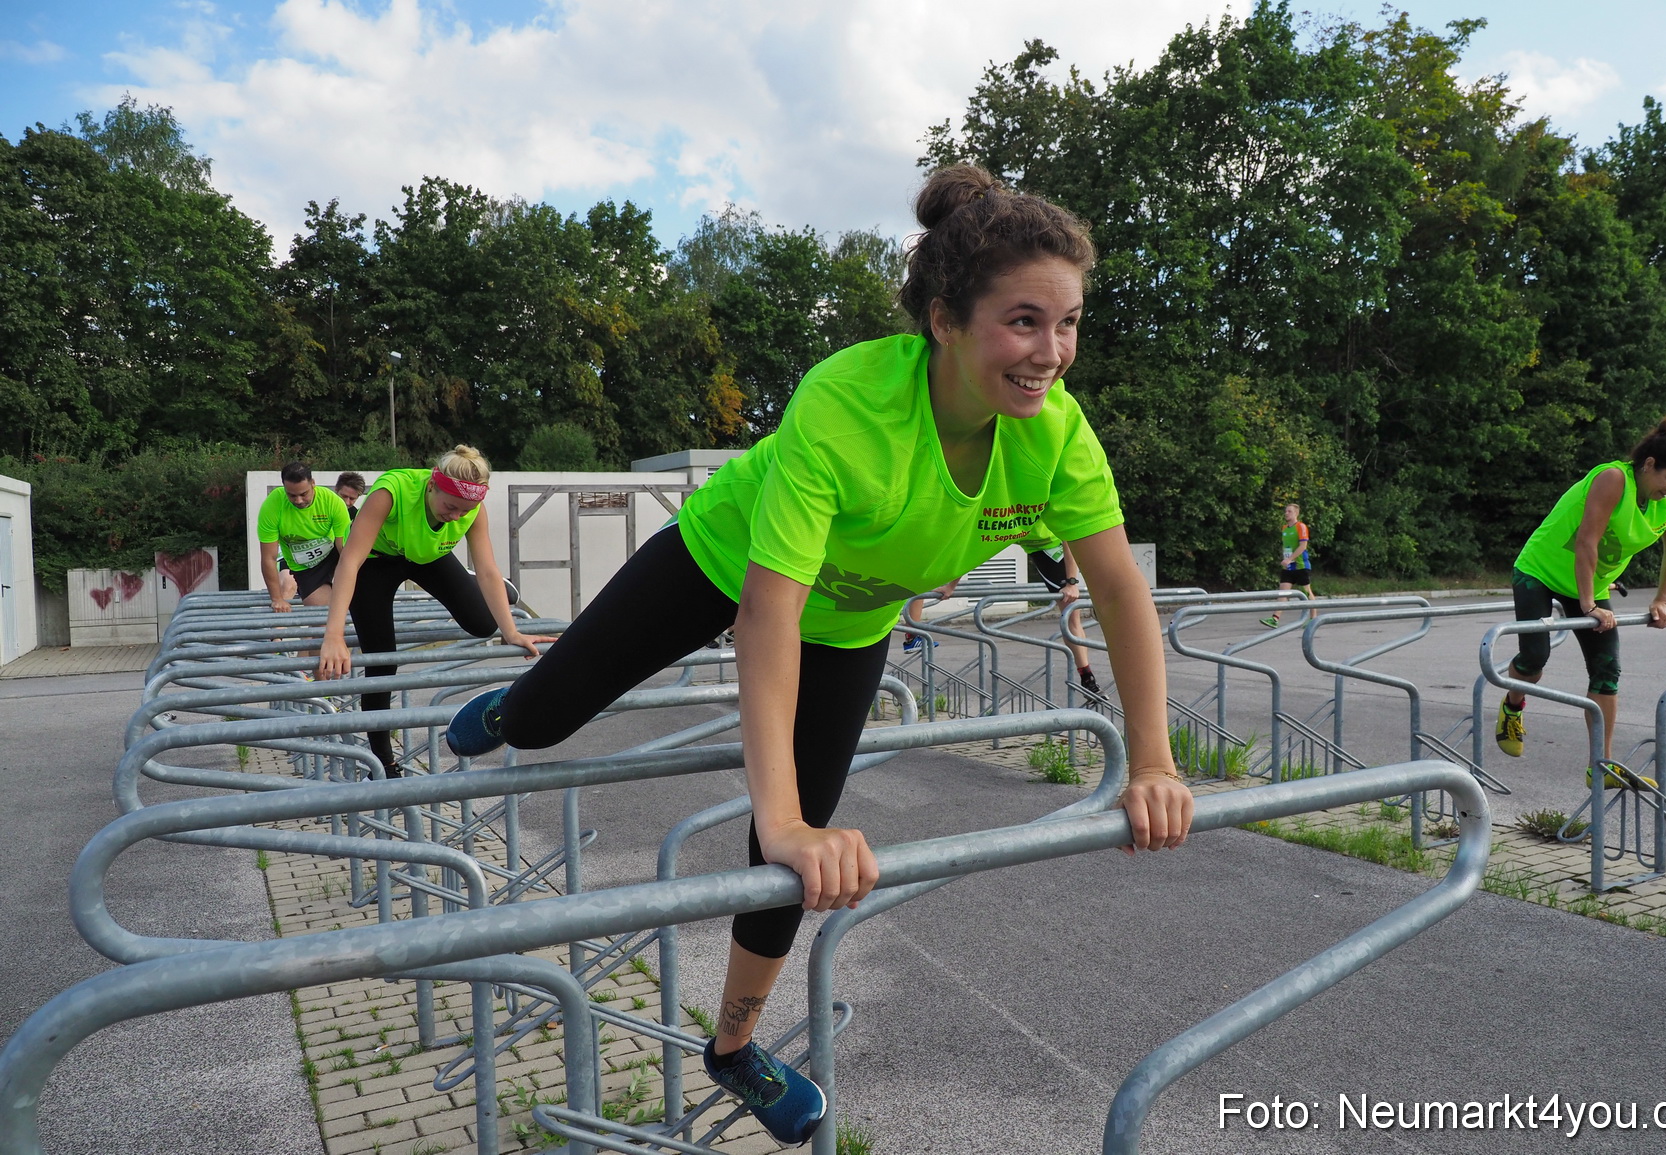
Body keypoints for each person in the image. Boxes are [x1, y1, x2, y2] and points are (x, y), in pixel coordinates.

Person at [445, 165, 1195, 1145]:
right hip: (720, 559)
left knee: (794, 862)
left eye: (1069, 323)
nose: (1050, 352)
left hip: (852, 620)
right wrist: (784, 812)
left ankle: (732, 1047)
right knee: (548, 724)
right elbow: (766, 615)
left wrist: (1151, 761)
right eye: (1022, 321)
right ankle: (516, 707)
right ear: (944, 319)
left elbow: (1118, 593)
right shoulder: (847, 404)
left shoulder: (1053, 433)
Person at [316, 446, 555, 778]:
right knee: (381, 659)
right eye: (451, 506)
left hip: (428, 557)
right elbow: (350, 561)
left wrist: (511, 631)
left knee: (484, 624)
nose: (456, 516)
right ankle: (384, 763)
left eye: (465, 510)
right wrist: (334, 635)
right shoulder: (392, 492)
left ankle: (487, 590)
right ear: (431, 485)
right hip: (376, 561)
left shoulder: (471, 509)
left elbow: (486, 567)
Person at [1494, 418, 1666, 784]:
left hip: (1590, 582)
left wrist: (1662, 600)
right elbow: (1587, 540)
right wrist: (1590, 605)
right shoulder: (1613, 478)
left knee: (1607, 670)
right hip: (1540, 572)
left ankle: (1601, 766)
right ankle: (1513, 708)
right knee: (1535, 658)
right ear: (1649, 464)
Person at [257, 461, 349, 615]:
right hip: (306, 566)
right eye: (292, 495)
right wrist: (277, 598)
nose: (298, 501)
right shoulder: (272, 505)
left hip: (333, 552)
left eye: (303, 494)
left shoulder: (332, 501)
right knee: (321, 619)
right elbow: (268, 558)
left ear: (313, 484)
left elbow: (345, 550)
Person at [1024, 533, 1106, 699]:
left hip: (1052, 544)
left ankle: (1087, 678)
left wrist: (1071, 583)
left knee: (1071, 616)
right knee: (1071, 617)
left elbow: (1068, 540)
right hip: (1032, 540)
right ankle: (1087, 678)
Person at [1260, 503, 1313, 628]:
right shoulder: (1284, 528)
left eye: (1289, 511)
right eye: (1286, 511)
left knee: (1306, 592)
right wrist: (1286, 560)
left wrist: (1290, 559)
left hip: (1300, 565)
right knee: (1283, 592)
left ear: (1296, 513)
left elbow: (1303, 546)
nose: (1286, 513)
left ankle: (1313, 618)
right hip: (1289, 566)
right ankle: (1275, 618)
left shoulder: (1301, 527)